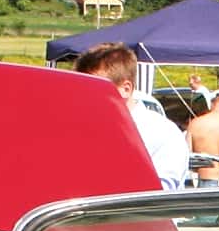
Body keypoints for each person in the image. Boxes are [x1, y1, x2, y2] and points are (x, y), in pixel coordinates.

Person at [74, 42, 190, 189]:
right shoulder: (82, 129)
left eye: (94, 89)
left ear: (126, 89)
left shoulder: (162, 134)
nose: (85, 97)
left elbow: (159, 194)